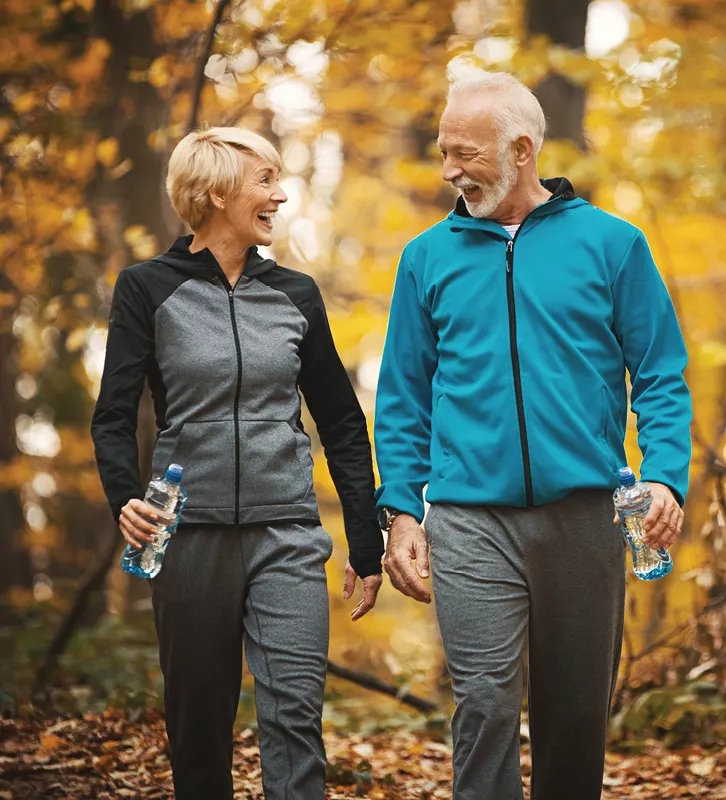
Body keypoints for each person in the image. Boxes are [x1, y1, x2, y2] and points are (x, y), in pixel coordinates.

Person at [374, 70, 691, 799]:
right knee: (484, 702)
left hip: (586, 514)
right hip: (469, 516)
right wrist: (399, 511)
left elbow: (662, 375)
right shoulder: (427, 257)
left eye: (466, 154)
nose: (450, 170)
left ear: (522, 149)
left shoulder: (613, 245)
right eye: (443, 152)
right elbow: (402, 397)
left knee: (574, 715)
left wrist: (665, 474)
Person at [90, 126, 385, 799]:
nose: (280, 196)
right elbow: (112, 415)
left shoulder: (295, 295)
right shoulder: (147, 289)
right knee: (199, 729)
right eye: (265, 182)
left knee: (295, 720)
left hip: (286, 533)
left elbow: (340, 421)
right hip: (187, 536)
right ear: (218, 191)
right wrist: (123, 498)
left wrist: (365, 544)